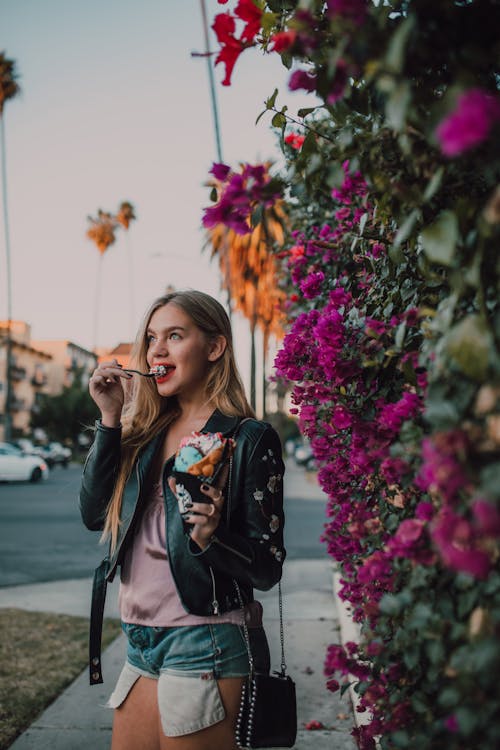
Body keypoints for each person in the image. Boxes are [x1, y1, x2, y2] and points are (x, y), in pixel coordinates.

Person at [79, 289, 285, 750]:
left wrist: (211, 536)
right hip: (139, 640)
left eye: (175, 335)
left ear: (214, 348)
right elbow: (94, 515)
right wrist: (110, 418)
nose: (157, 349)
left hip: (206, 638)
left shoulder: (249, 439)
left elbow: (267, 568)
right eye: (152, 337)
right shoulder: (141, 433)